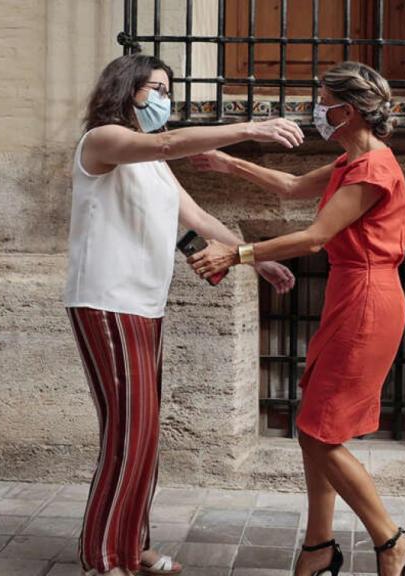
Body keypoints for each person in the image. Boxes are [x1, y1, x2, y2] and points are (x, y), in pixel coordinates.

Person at [66, 53, 301, 576]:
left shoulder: (154, 164)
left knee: (143, 434)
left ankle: (133, 546)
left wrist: (252, 258)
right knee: (127, 434)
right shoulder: (103, 140)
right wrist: (250, 129)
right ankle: (103, 559)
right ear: (125, 89)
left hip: (144, 304)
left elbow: (195, 218)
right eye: (156, 88)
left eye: (169, 90)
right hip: (106, 301)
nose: (164, 99)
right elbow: (168, 141)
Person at [188, 61, 405, 576]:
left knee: (320, 432)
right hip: (351, 293)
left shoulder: (373, 168)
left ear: (348, 111)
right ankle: (318, 546)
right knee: (313, 424)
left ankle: (392, 541)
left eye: (323, 102)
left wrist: (237, 254)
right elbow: (292, 185)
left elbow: (315, 237)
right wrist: (229, 164)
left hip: (367, 297)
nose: (316, 110)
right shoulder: (352, 160)